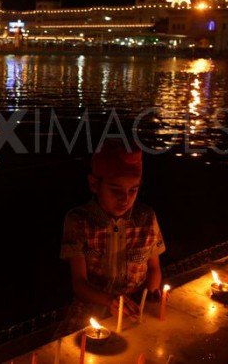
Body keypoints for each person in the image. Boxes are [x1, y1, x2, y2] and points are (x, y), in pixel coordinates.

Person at [58, 139, 165, 333]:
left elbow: (154, 268)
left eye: (133, 190)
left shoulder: (146, 218)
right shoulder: (79, 221)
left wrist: (150, 295)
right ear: (94, 184)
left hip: (134, 308)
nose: (125, 199)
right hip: (91, 310)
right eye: (116, 190)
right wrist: (110, 301)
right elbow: (79, 284)